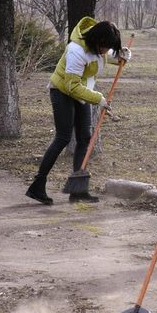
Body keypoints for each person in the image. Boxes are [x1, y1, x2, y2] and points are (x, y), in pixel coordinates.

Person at [26, 17, 130, 204]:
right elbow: (72, 86)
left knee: (85, 137)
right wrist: (98, 99)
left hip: (81, 91)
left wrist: (121, 57)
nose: (108, 51)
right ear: (98, 42)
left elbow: (103, 57)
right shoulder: (76, 50)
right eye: (107, 47)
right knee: (63, 137)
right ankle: (37, 185)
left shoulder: (97, 45)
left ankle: (78, 190)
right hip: (62, 91)